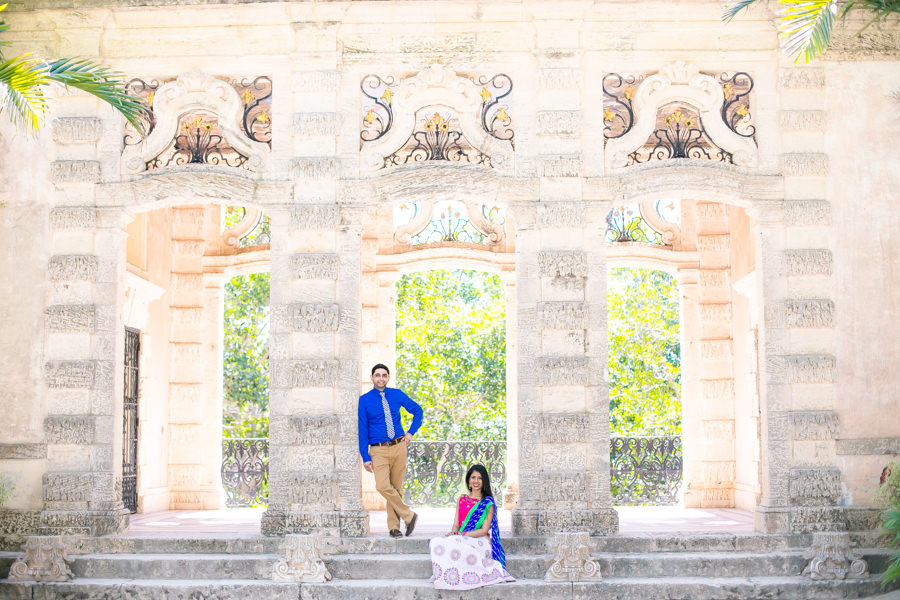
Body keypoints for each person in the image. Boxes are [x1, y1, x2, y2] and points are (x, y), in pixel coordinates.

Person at [358, 363, 423, 538]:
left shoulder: (397, 394)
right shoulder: (364, 401)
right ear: (372, 378)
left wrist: (410, 433)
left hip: (399, 446)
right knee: (382, 486)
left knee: (396, 488)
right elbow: (362, 430)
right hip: (378, 450)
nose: (381, 378)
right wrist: (365, 456)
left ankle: (394, 528)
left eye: (384, 375)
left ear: (388, 377)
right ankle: (409, 515)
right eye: (377, 375)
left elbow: (418, 411)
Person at [428, 464, 515, 589]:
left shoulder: (487, 503)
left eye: (479, 478)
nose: (476, 481)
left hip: (479, 540)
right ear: (468, 480)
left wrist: (463, 535)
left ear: (484, 481)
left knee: (455, 544)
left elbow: (484, 530)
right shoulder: (462, 499)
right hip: (461, 537)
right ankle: (448, 576)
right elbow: (456, 524)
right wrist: (453, 533)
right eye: (473, 477)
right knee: (436, 542)